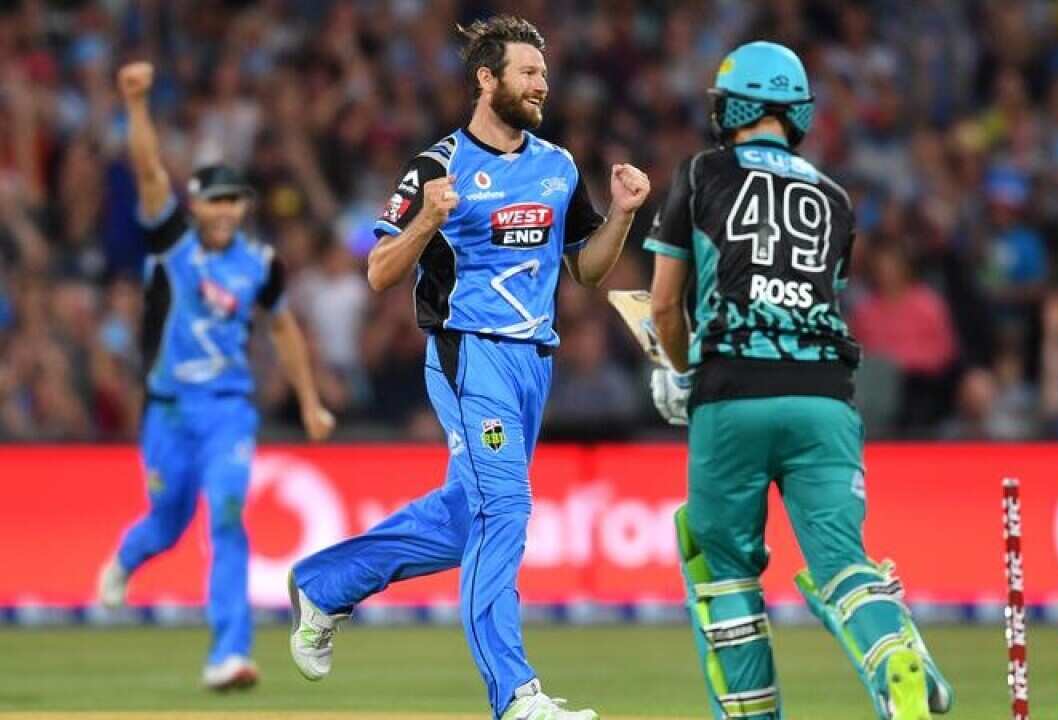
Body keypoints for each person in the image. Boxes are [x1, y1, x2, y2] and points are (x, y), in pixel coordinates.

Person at [286, 16, 649, 720]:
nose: (541, 84)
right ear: (487, 79)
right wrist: (427, 220)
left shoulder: (558, 166)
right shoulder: (436, 166)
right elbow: (378, 270)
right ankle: (515, 695)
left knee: (466, 519)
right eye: (528, 72)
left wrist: (624, 215)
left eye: (544, 73)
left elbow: (584, 269)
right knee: (505, 509)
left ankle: (326, 585)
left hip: (534, 364)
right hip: (469, 354)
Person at [645, 42, 953, 720]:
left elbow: (665, 305)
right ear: (798, 114)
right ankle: (894, 659)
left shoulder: (702, 173)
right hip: (825, 398)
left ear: (731, 109)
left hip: (732, 391)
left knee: (723, 571)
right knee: (844, 562)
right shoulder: (836, 197)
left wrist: (679, 370)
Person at [97, 62, 335, 691]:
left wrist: (310, 401)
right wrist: (137, 104)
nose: (226, 210)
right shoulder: (172, 245)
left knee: (227, 516)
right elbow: (150, 172)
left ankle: (229, 652)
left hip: (228, 409)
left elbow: (284, 329)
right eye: (215, 200)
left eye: (234, 200)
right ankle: (126, 558)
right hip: (169, 410)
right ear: (196, 204)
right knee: (168, 524)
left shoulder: (259, 263)